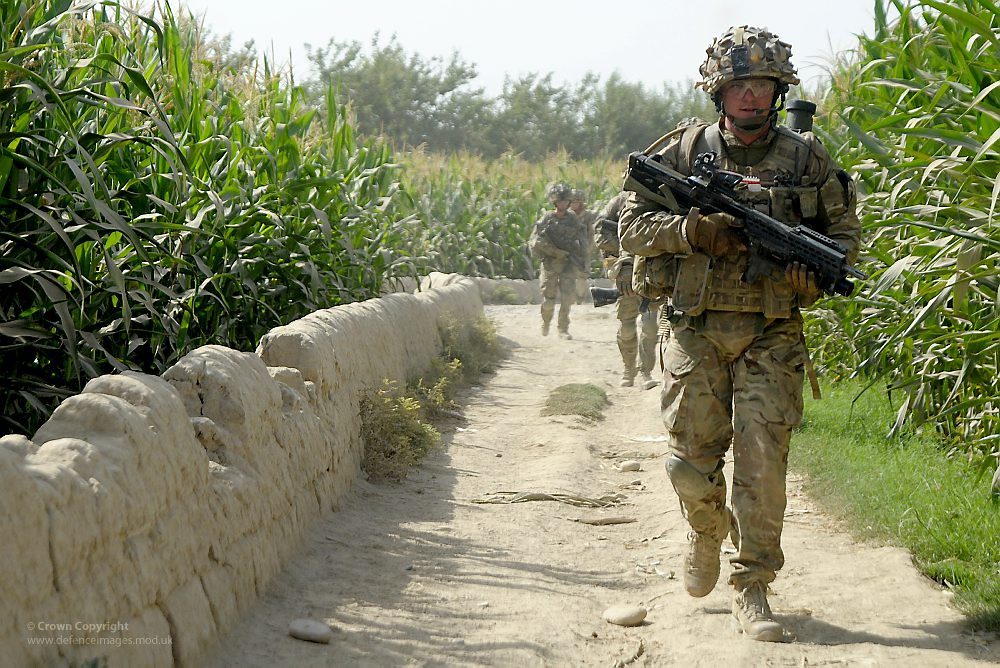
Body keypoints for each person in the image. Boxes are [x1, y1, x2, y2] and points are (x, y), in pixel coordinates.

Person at [619, 25, 861, 642]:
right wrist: (690, 233)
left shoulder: (808, 160)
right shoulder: (682, 152)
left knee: (763, 464)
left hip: (771, 333)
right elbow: (629, 229)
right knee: (687, 464)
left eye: (762, 85)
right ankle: (705, 532)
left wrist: (813, 274)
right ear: (718, 93)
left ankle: (751, 585)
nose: (751, 97)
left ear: (777, 92)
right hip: (695, 329)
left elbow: (844, 236)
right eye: (739, 86)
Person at [593, 192, 660, 389]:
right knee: (627, 326)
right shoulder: (619, 202)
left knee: (650, 326)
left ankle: (645, 371)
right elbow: (600, 232)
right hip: (626, 271)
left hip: (651, 270)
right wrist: (626, 247)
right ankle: (628, 369)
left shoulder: (659, 198)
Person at [529, 182, 590, 339]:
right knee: (549, 301)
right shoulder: (547, 219)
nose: (562, 204)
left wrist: (583, 261)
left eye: (565, 201)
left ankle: (563, 329)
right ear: (554, 202)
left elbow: (583, 242)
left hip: (568, 265)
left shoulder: (574, 220)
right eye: (559, 201)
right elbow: (535, 241)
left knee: (567, 298)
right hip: (550, 264)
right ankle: (546, 322)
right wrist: (555, 252)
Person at [569, 188, 598, 305]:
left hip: (583, 251)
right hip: (568, 251)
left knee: (581, 277)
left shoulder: (589, 216)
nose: (572, 205)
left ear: (581, 202)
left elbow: (593, 233)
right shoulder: (567, 216)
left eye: (574, 202)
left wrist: (589, 249)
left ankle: (579, 299)